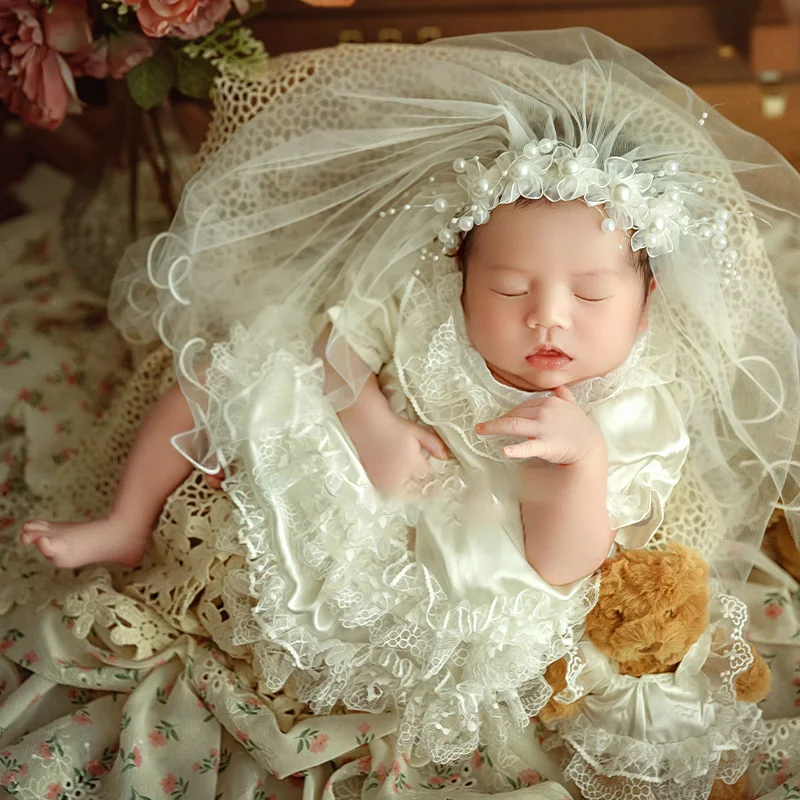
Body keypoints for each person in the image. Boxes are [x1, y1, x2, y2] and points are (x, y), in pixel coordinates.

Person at [18, 31, 800, 768]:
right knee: (229, 367)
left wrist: (581, 459)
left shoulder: (630, 407)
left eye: (592, 295)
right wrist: (374, 425)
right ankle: (126, 521)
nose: (548, 316)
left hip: (469, 574)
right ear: (461, 278)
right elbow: (332, 343)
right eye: (509, 287)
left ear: (646, 300)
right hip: (371, 474)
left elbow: (563, 568)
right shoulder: (430, 308)